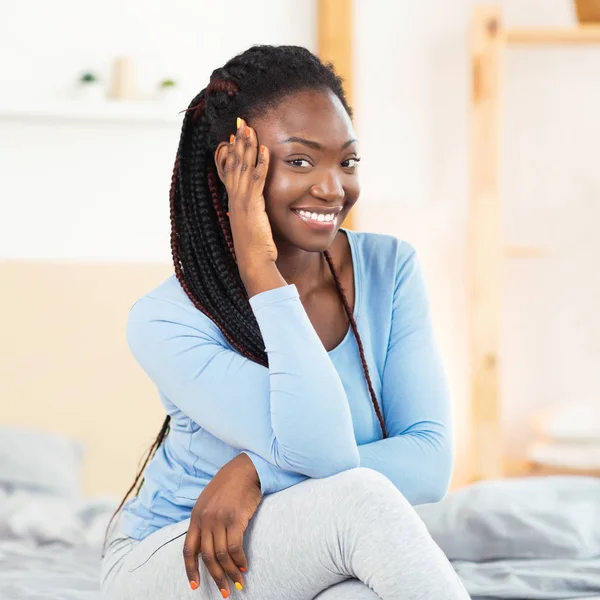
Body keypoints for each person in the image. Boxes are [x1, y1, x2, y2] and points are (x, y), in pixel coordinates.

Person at [100, 45, 470, 600]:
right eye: (300, 161)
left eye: (346, 161)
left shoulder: (388, 269)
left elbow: (430, 461)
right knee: (362, 502)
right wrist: (259, 269)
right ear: (231, 169)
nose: (332, 188)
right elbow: (324, 454)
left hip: (301, 544)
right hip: (183, 556)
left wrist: (255, 471)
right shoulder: (164, 319)